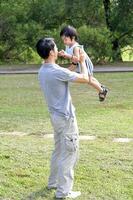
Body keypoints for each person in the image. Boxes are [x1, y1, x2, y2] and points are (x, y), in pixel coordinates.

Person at [36, 38, 89, 199]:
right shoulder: (57, 71)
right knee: (69, 154)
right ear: (51, 52)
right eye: (56, 47)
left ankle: (53, 183)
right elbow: (85, 78)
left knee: (58, 151)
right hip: (66, 119)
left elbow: (66, 73)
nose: (58, 49)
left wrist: (73, 62)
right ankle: (63, 192)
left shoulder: (44, 70)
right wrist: (82, 62)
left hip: (55, 117)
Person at [59, 25, 108, 102]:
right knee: (90, 79)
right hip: (81, 64)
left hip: (85, 63)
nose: (64, 42)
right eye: (63, 40)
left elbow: (77, 58)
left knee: (88, 80)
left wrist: (66, 55)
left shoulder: (76, 47)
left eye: (66, 39)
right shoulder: (68, 46)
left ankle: (102, 90)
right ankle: (101, 87)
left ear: (73, 37)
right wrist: (65, 54)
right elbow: (74, 60)